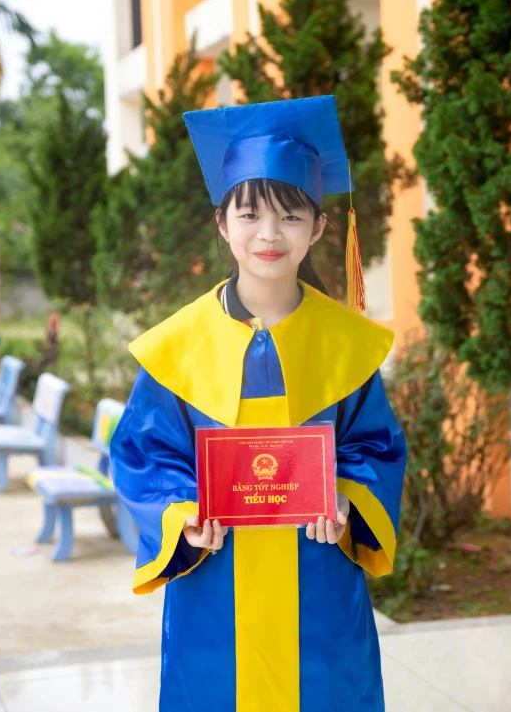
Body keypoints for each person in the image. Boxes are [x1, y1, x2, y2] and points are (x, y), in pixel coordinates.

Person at [110, 95, 407, 712]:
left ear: (320, 228)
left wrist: (349, 500)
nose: (268, 235)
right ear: (222, 224)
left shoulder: (345, 344)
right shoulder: (177, 346)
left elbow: (375, 447)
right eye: (248, 215)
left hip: (318, 581)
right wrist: (179, 518)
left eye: (291, 217)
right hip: (215, 584)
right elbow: (144, 455)